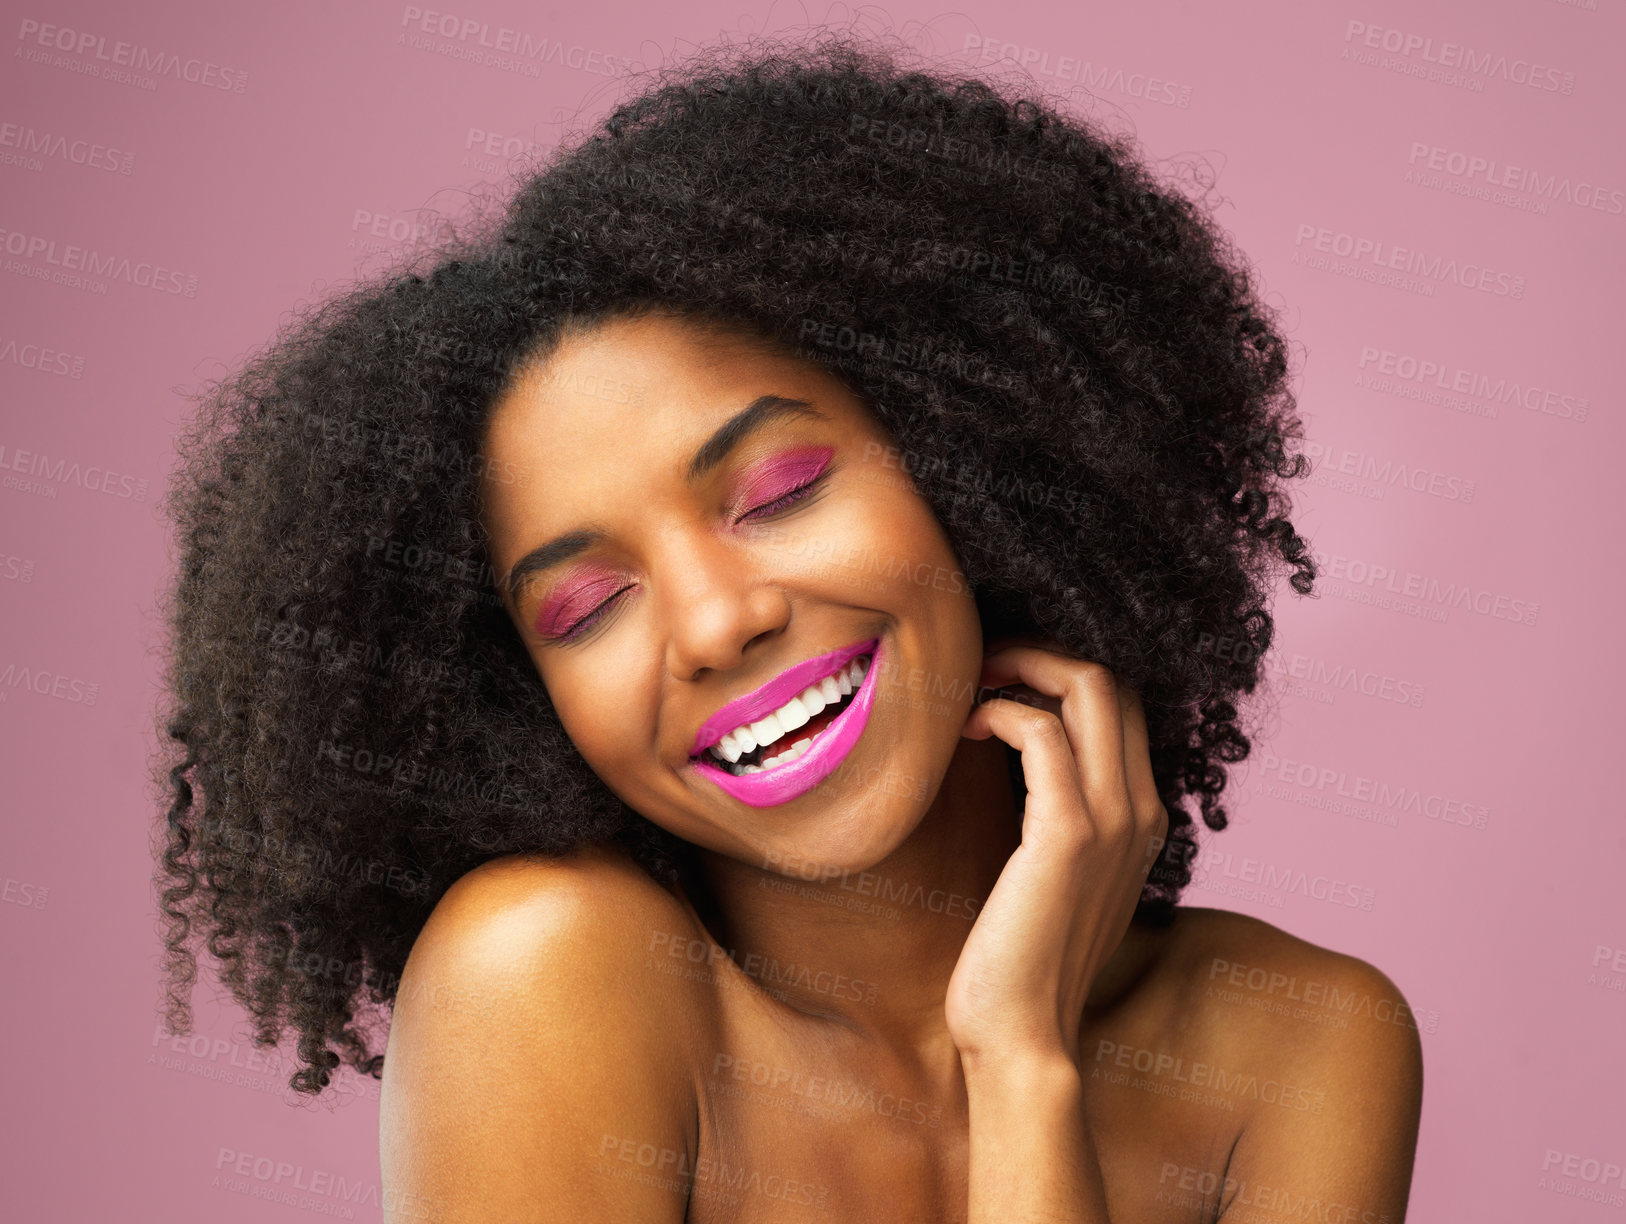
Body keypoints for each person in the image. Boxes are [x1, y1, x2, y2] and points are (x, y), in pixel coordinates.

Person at [154, 32, 1422, 1223]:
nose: (715, 624)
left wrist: (1019, 1053)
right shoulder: (545, 976)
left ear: (970, 459)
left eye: (779, 492)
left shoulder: (1308, 1049)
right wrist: (1025, 1064)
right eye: (587, 607)